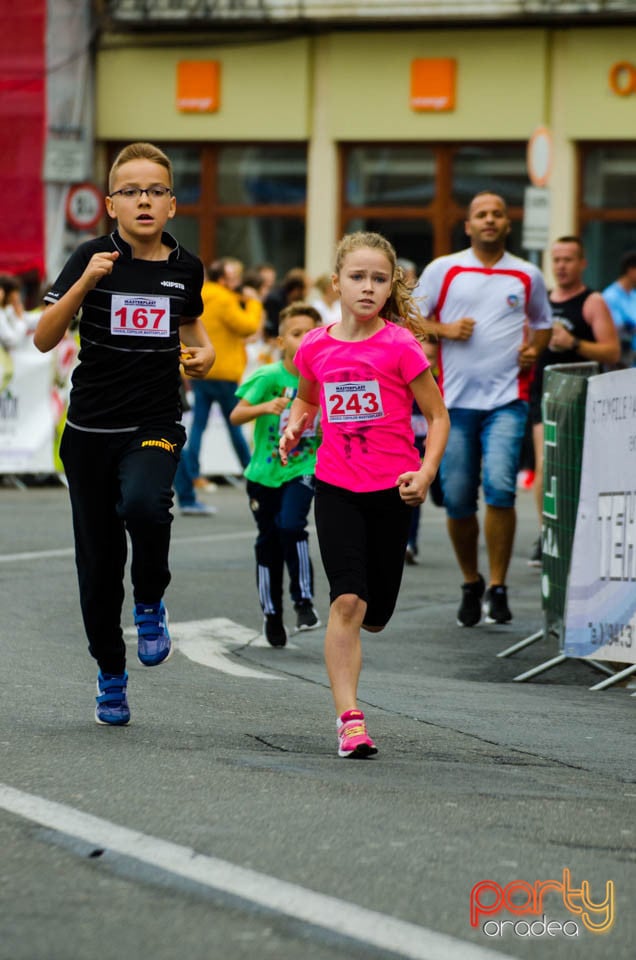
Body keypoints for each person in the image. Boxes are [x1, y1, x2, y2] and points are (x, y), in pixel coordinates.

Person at [34, 141, 215, 726]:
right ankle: (110, 672)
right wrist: (85, 282)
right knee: (97, 568)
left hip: (155, 419)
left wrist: (204, 356)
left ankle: (150, 600)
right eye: (132, 191)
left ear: (172, 205)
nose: (144, 200)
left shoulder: (186, 267)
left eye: (155, 191)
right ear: (112, 204)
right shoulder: (91, 255)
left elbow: (195, 332)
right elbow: (43, 338)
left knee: (146, 505)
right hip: (89, 430)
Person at [279, 231, 449, 759]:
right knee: (347, 600)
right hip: (336, 487)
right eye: (357, 277)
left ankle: (367, 619)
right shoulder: (315, 346)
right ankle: (350, 719)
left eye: (379, 279)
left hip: (392, 491)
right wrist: (295, 427)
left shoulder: (400, 346)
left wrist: (424, 473)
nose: (368, 287)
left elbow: (437, 417)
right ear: (336, 283)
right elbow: (307, 399)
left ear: (390, 285)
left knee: (375, 613)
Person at [413, 191, 552, 627]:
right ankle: (470, 582)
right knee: (456, 498)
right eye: (481, 214)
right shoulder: (444, 268)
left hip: (508, 402)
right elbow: (408, 318)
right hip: (453, 404)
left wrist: (533, 350)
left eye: (497, 214)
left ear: (507, 224)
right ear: (468, 225)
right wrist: (444, 329)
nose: (489, 220)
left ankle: (498, 585)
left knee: (500, 487)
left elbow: (544, 324)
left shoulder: (527, 273)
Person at [230, 302, 323, 647]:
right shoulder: (269, 377)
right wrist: (264, 407)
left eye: (311, 334)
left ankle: (304, 602)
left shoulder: (326, 376)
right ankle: (272, 612)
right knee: (268, 543)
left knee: (291, 524)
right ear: (282, 341)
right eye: (297, 334)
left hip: (304, 467)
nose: (304, 340)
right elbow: (237, 415)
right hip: (264, 473)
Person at [528, 236, 620, 566]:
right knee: (545, 464)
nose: (561, 266)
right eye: (557, 260)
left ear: (582, 263)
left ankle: (582, 532)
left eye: (568, 259)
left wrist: (574, 342)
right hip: (545, 391)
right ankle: (547, 532)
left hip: (583, 395)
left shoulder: (591, 301)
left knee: (580, 467)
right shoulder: (541, 302)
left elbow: (611, 351)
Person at [174, 256, 262, 514]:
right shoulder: (224, 298)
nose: (236, 282)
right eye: (232, 277)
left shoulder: (201, 293)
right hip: (223, 371)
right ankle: (251, 471)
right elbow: (247, 326)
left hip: (201, 369)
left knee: (198, 426)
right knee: (235, 423)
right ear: (222, 278)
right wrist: (254, 303)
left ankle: (193, 472)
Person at [602, 250, 636, 367]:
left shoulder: (633, 294)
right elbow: (616, 329)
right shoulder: (610, 296)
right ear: (631, 270)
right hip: (619, 362)